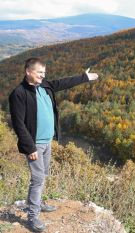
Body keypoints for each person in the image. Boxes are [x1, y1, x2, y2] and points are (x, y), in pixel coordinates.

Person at [8, 57, 99, 232]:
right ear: (28, 71)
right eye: (39, 72)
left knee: (44, 175)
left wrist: (84, 77)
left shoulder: (45, 86)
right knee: (38, 179)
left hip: (48, 140)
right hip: (35, 145)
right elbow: (18, 124)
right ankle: (33, 217)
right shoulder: (19, 93)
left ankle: (38, 203)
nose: (43, 76)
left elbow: (63, 82)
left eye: (44, 73)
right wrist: (30, 148)